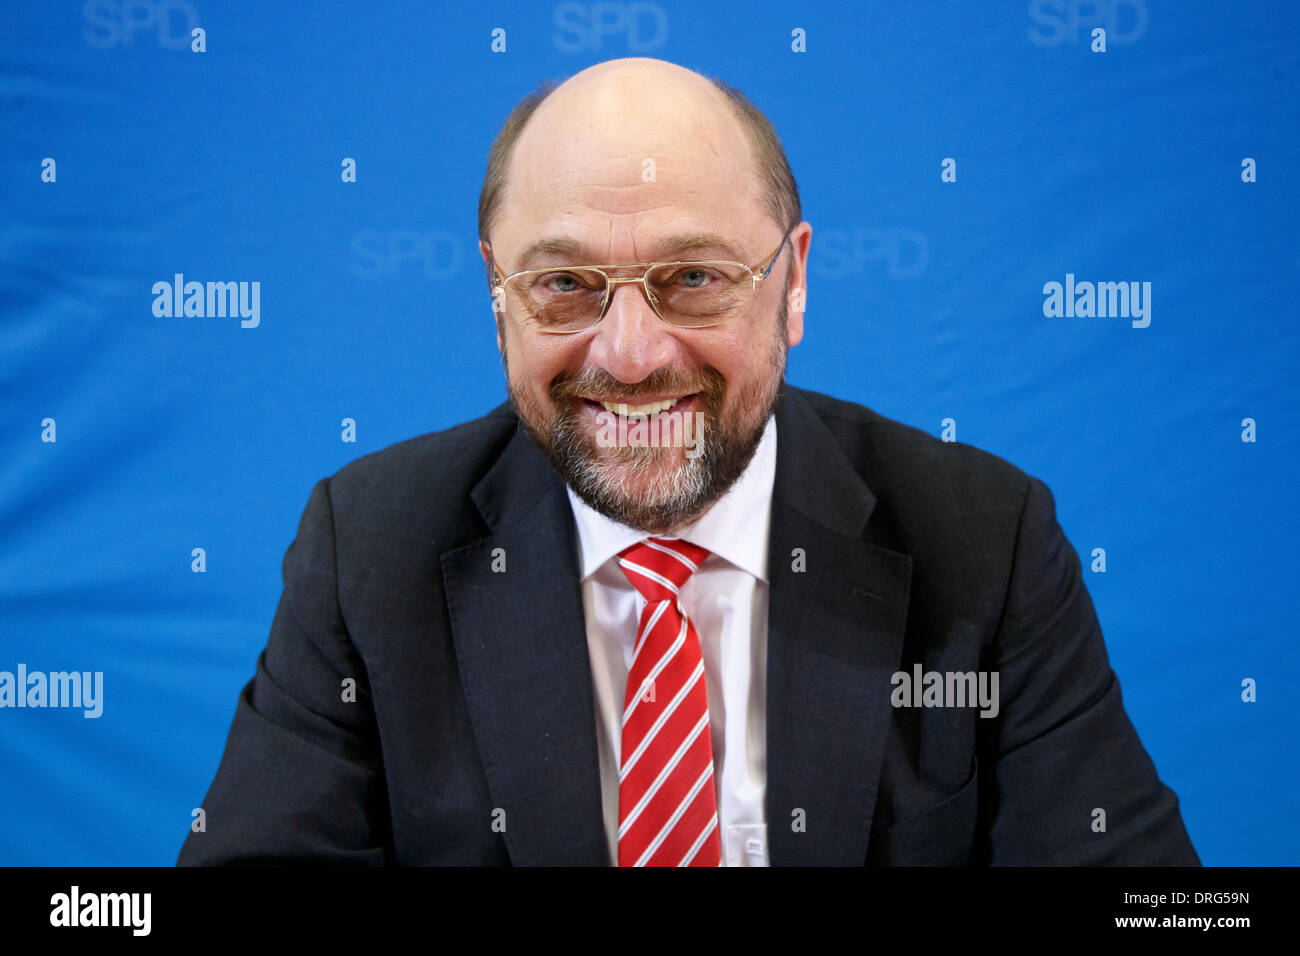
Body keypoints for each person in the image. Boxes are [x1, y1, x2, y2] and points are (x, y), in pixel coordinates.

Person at [178, 57, 1198, 867]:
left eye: (694, 277)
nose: (628, 355)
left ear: (792, 280)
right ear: (497, 292)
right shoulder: (371, 546)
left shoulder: (985, 537)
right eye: (567, 282)